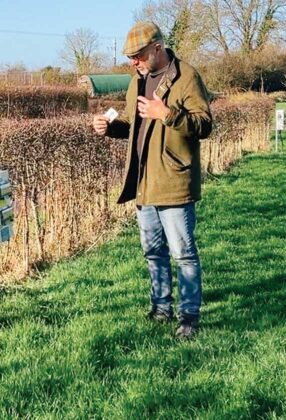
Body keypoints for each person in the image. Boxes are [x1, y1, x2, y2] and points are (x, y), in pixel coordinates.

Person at [92, 22, 212, 339]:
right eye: (131, 57)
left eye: (139, 56)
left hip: (174, 182)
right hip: (144, 183)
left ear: (157, 48)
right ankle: (161, 308)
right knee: (153, 252)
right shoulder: (136, 82)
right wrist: (111, 128)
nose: (134, 62)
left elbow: (204, 125)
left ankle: (189, 318)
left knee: (184, 255)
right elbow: (135, 126)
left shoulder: (187, 77)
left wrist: (167, 113)